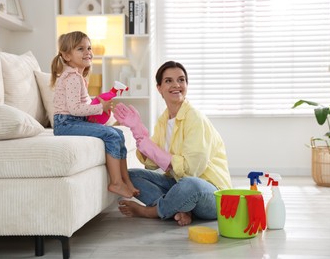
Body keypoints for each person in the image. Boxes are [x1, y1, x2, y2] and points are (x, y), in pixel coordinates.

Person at [114, 61, 232, 226]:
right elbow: (151, 164)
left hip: (211, 193)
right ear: (159, 88)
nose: (176, 85)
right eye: (169, 81)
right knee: (130, 176)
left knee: (189, 185)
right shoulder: (164, 120)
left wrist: (146, 142)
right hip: (179, 184)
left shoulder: (195, 118)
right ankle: (180, 209)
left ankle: (152, 211)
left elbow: (192, 171)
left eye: (181, 80)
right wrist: (139, 132)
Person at [50, 31, 139, 198]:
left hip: (72, 121)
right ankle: (116, 183)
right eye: (80, 49)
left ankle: (125, 179)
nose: (87, 52)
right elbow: (75, 109)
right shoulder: (72, 78)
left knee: (118, 133)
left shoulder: (78, 77)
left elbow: (79, 104)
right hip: (66, 124)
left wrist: (98, 103)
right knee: (111, 134)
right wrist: (99, 107)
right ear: (66, 55)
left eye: (89, 48)